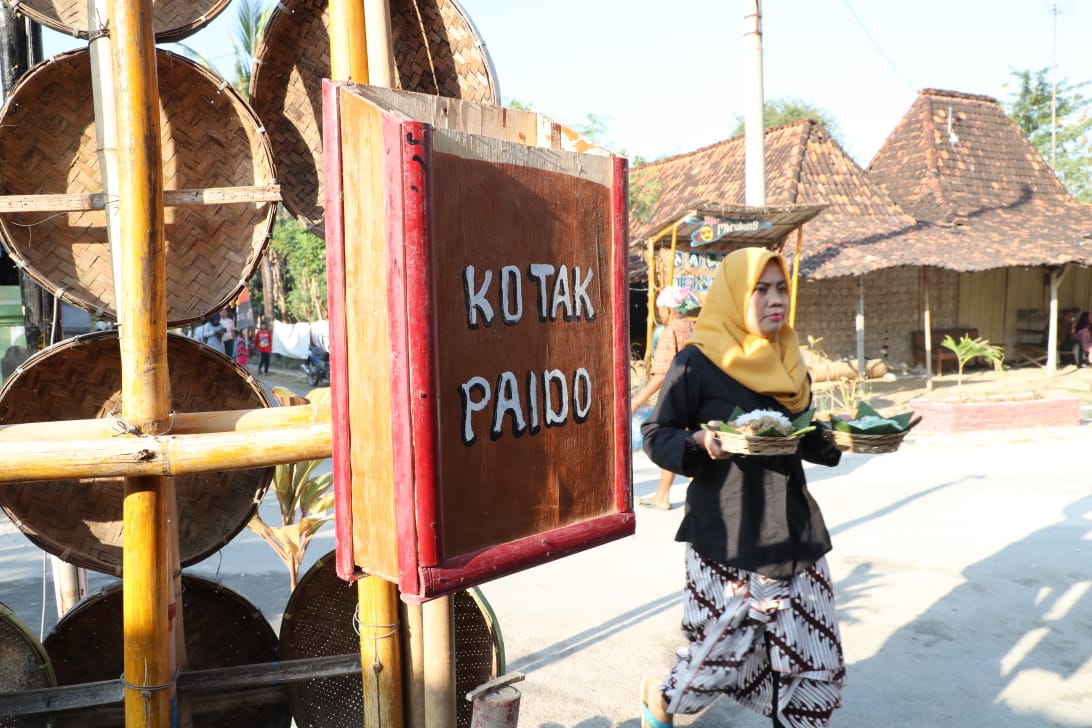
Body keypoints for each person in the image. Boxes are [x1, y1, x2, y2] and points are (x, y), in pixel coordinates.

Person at [639, 247, 845, 728]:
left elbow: (801, 437)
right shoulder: (698, 361)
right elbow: (656, 433)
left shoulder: (790, 361)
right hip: (725, 532)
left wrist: (839, 435)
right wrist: (701, 440)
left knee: (814, 666)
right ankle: (661, 701)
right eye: (761, 289)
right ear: (735, 294)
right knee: (715, 665)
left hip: (793, 530)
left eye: (781, 289)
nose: (776, 300)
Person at [631, 285, 702, 510]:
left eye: (661, 308)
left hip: (676, 397)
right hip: (698, 395)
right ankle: (666, 495)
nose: (659, 312)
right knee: (692, 442)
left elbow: (661, 374)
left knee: (670, 440)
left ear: (669, 310)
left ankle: (664, 496)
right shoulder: (694, 327)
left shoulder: (669, 331)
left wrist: (636, 401)